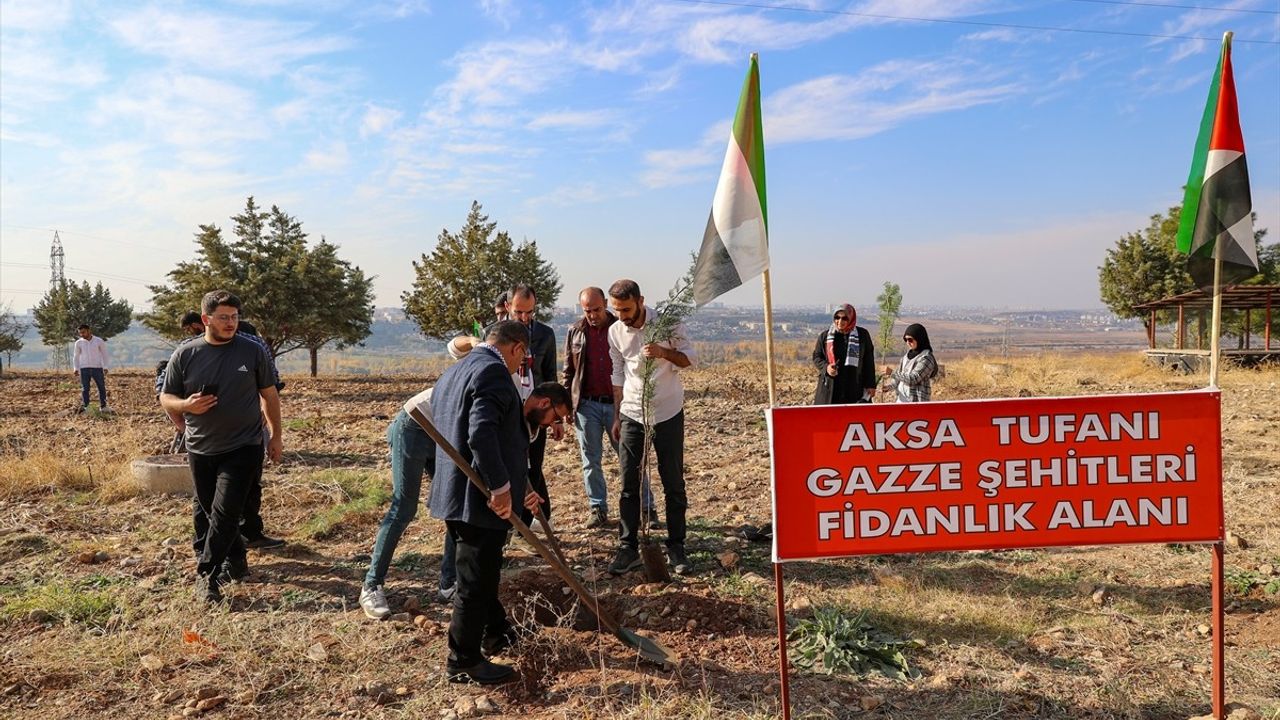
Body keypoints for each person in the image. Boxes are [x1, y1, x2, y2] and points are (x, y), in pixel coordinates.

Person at [359, 381, 571, 620]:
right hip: (417, 425)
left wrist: (522, 493)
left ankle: (449, 582)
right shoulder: (504, 404)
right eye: (555, 417)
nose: (552, 426)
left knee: (456, 504)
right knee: (404, 508)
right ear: (544, 403)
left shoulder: (528, 422)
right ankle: (372, 585)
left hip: (447, 436)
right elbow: (484, 448)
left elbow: (513, 463)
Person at [427, 320, 544, 685]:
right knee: (474, 581)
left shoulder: (455, 371)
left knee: (482, 572)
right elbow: (480, 433)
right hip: (478, 499)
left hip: (455, 493)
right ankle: (463, 659)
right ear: (515, 348)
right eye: (521, 357)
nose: (519, 365)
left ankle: (497, 632)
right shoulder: (493, 373)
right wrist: (500, 487)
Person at [160, 290, 283, 605]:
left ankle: (207, 575)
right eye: (224, 317)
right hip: (201, 448)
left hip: (244, 445)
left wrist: (276, 435)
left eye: (235, 316)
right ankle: (237, 562)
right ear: (206, 320)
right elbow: (166, 397)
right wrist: (186, 405)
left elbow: (269, 395)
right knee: (208, 509)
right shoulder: (185, 355)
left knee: (226, 511)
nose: (231, 323)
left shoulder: (252, 351)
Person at [605, 279, 695, 576]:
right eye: (616, 310)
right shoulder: (615, 331)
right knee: (629, 483)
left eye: (627, 309)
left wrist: (663, 352)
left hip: (668, 412)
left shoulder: (668, 323)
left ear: (641, 301)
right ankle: (627, 547)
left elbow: (689, 359)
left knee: (673, 482)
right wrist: (618, 415)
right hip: (632, 412)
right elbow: (618, 372)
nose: (622, 316)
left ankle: (677, 547)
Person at [562, 287, 658, 529]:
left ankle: (647, 508)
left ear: (605, 304)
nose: (592, 315)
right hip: (587, 405)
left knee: (630, 458)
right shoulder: (576, 331)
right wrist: (567, 405)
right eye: (587, 310)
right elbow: (569, 372)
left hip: (620, 404)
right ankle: (598, 508)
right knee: (590, 459)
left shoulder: (621, 328)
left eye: (596, 309)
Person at [506, 284, 562, 528]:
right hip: (507, 412)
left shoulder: (546, 335)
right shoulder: (493, 334)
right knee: (511, 467)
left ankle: (529, 524)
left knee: (534, 466)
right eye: (519, 312)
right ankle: (511, 520)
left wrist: (557, 417)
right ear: (508, 307)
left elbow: (550, 377)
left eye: (529, 312)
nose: (524, 318)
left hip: (536, 414)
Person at [812, 304, 876, 405]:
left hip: (854, 385)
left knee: (853, 418)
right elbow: (816, 357)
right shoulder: (825, 336)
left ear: (851, 318)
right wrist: (827, 368)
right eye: (837, 317)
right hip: (831, 387)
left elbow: (869, 361)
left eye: (844, 318)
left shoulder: (862, 335)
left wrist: (871, 384)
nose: (840, 321)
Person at [884, 323, 939, 403]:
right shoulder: (906, 356)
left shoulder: (926, 358)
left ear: (919, 339)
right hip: (901, 401)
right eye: (905, 340)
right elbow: (900, 376)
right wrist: (889, 387)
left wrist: (892, 373)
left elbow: (914, 379)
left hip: (916, 404)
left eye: (910, 340)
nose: (907, 342)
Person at [72, 324, 110, 412]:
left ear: (89, 331)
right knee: (85, 389)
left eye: (83, 332)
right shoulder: (79, 343)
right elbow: (76, 356)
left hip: (97, 368)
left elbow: (105, 354)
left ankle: (103, 407)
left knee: (101, 387)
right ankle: (86, 407)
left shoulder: (99, 341)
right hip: (84, 368)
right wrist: (76, 368)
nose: (82, 334)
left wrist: (105, 366)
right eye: (80, 333)